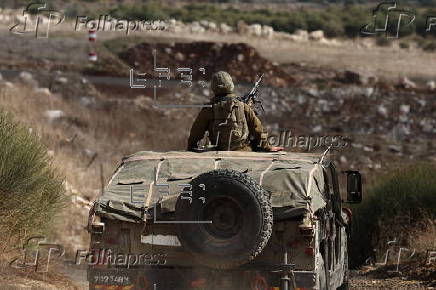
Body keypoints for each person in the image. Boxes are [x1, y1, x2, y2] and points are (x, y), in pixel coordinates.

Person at [187, 71, 283, 152]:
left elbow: (196, 131)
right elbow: (257, 129)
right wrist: (268, 147)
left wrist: (191, 148)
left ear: (214, 88)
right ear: (231, 86)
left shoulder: (209, 108)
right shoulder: (243, 106)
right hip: (243, 151)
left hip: (219, 150)